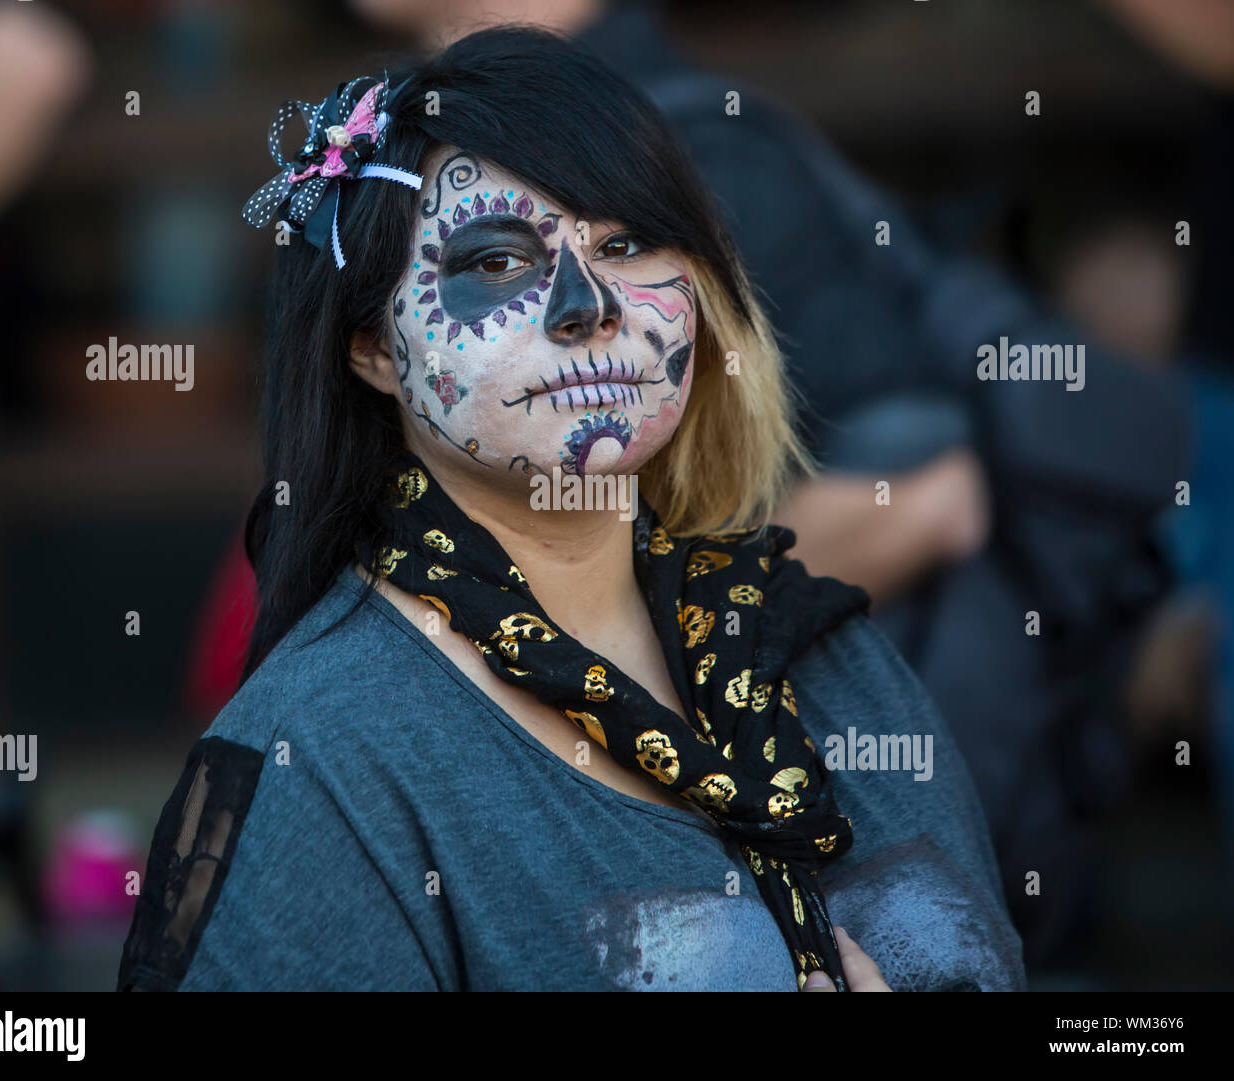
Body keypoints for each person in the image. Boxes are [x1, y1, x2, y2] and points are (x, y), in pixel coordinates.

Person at [119, 27, 1024, 992]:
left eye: (625, 243)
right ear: (372, 349)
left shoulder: (832, 654)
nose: (586, 303)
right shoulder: (326, 758)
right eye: (498, 261)